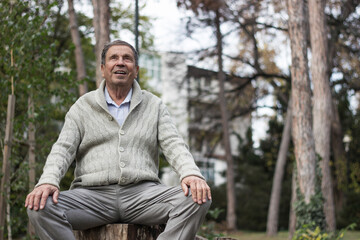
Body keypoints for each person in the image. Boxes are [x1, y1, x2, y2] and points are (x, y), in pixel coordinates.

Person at [25, 40, 212, 240]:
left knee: (197, 198)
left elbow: (174, 144)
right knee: (39, 206)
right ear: (103, 69)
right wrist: (48, 181)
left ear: (136, 69)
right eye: (114, 58)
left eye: (127, 59)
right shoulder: (82, 106)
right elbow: (62, 149)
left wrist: (191, 174)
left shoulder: (154, 105)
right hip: (91, 197)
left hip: (143, 196)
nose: (121, 63)